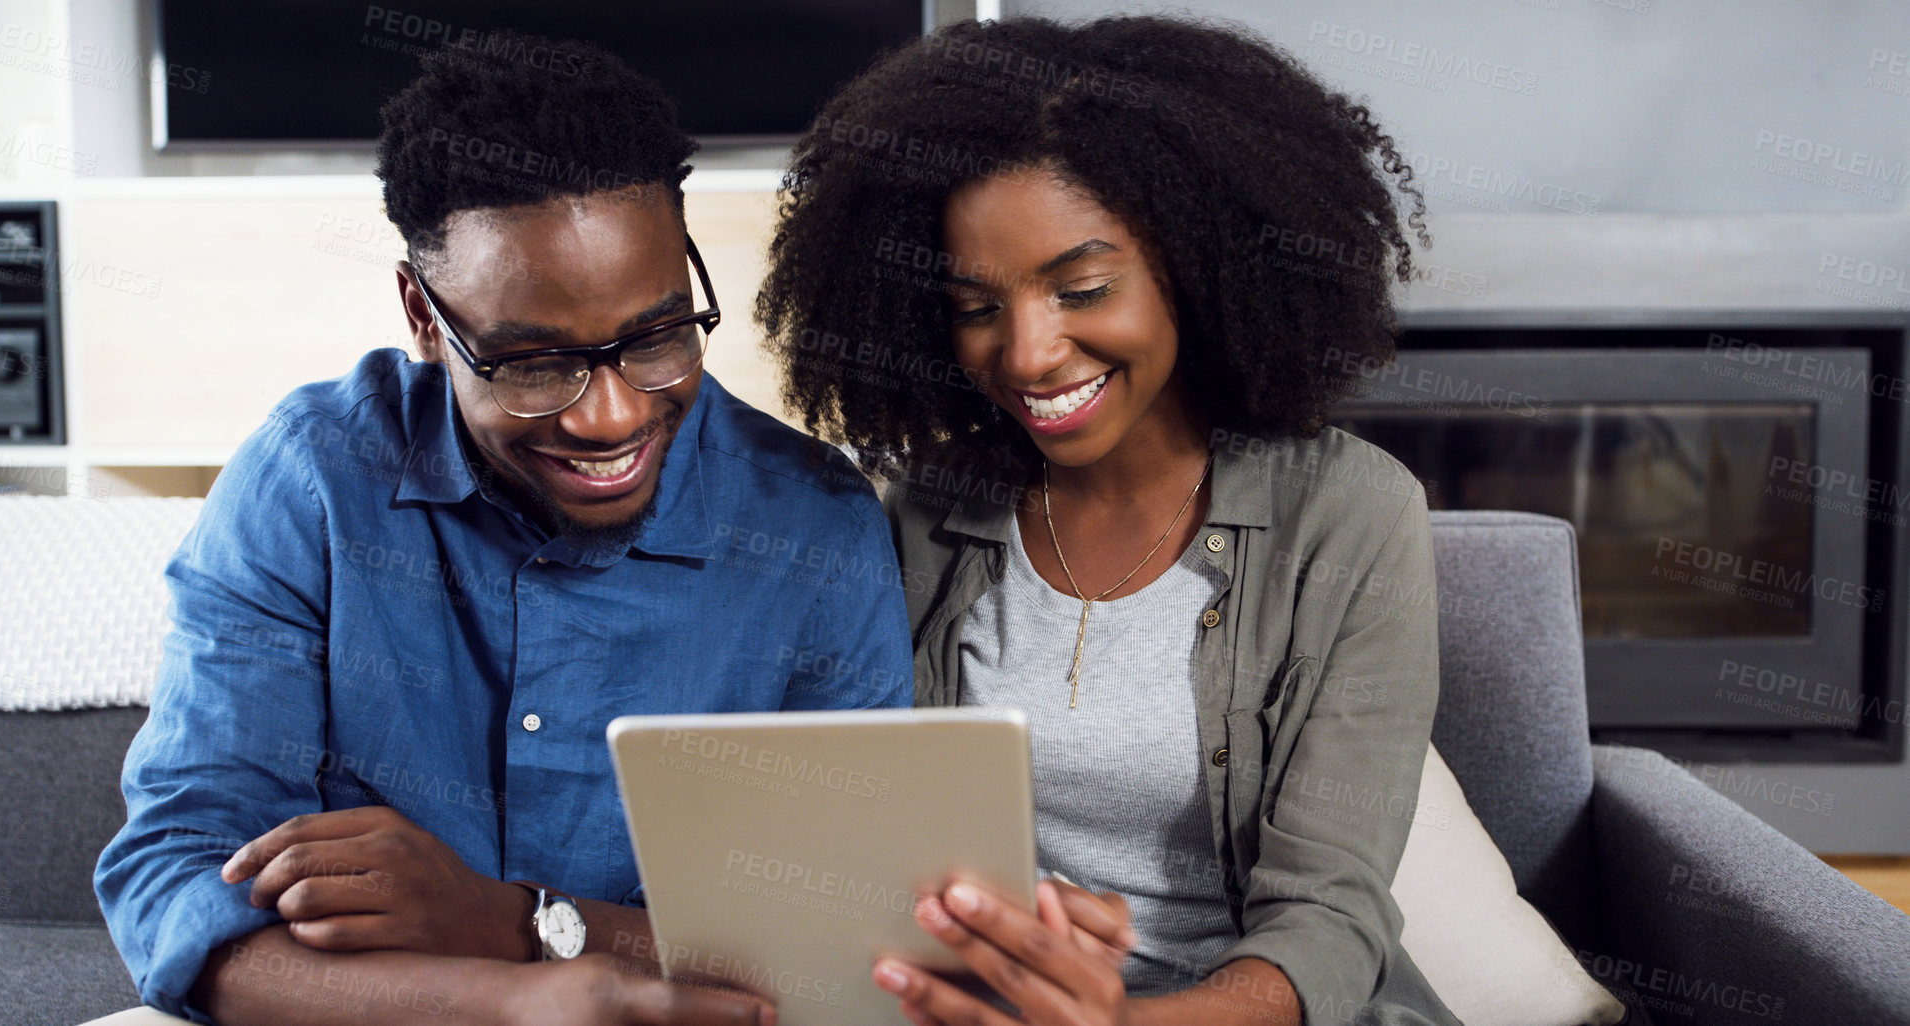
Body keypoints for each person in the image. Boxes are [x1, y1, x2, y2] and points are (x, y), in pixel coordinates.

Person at [96, 33, 911, 1026]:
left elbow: (837, 946)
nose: (608, 417)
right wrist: (504, 1003)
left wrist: (515, 923)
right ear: (424, 316)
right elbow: (177, 875)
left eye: (655, 338)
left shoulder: (816, 528)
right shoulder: (312, 478)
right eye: (532, 364)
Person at [758, 15, 1459, 1026]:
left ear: (1200, 263)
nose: (1028, 354)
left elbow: (1328, 917)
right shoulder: (924, 514)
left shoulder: (1350, 516)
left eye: (1081, 287)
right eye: (975, 307)